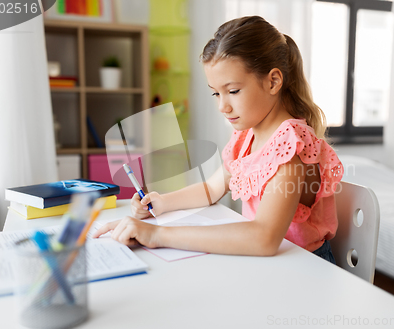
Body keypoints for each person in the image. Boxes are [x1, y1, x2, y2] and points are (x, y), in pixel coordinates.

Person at [93, 16, 343, 263]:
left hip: (306, 267)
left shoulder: (291, 144)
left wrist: (157, 234)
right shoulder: (247, 135)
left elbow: (264, 237)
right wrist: (160, 202)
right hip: (271, 263)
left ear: (273, 81)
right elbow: (211, 189)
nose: (222, 105)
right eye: (216, 93)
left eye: (233, 91)